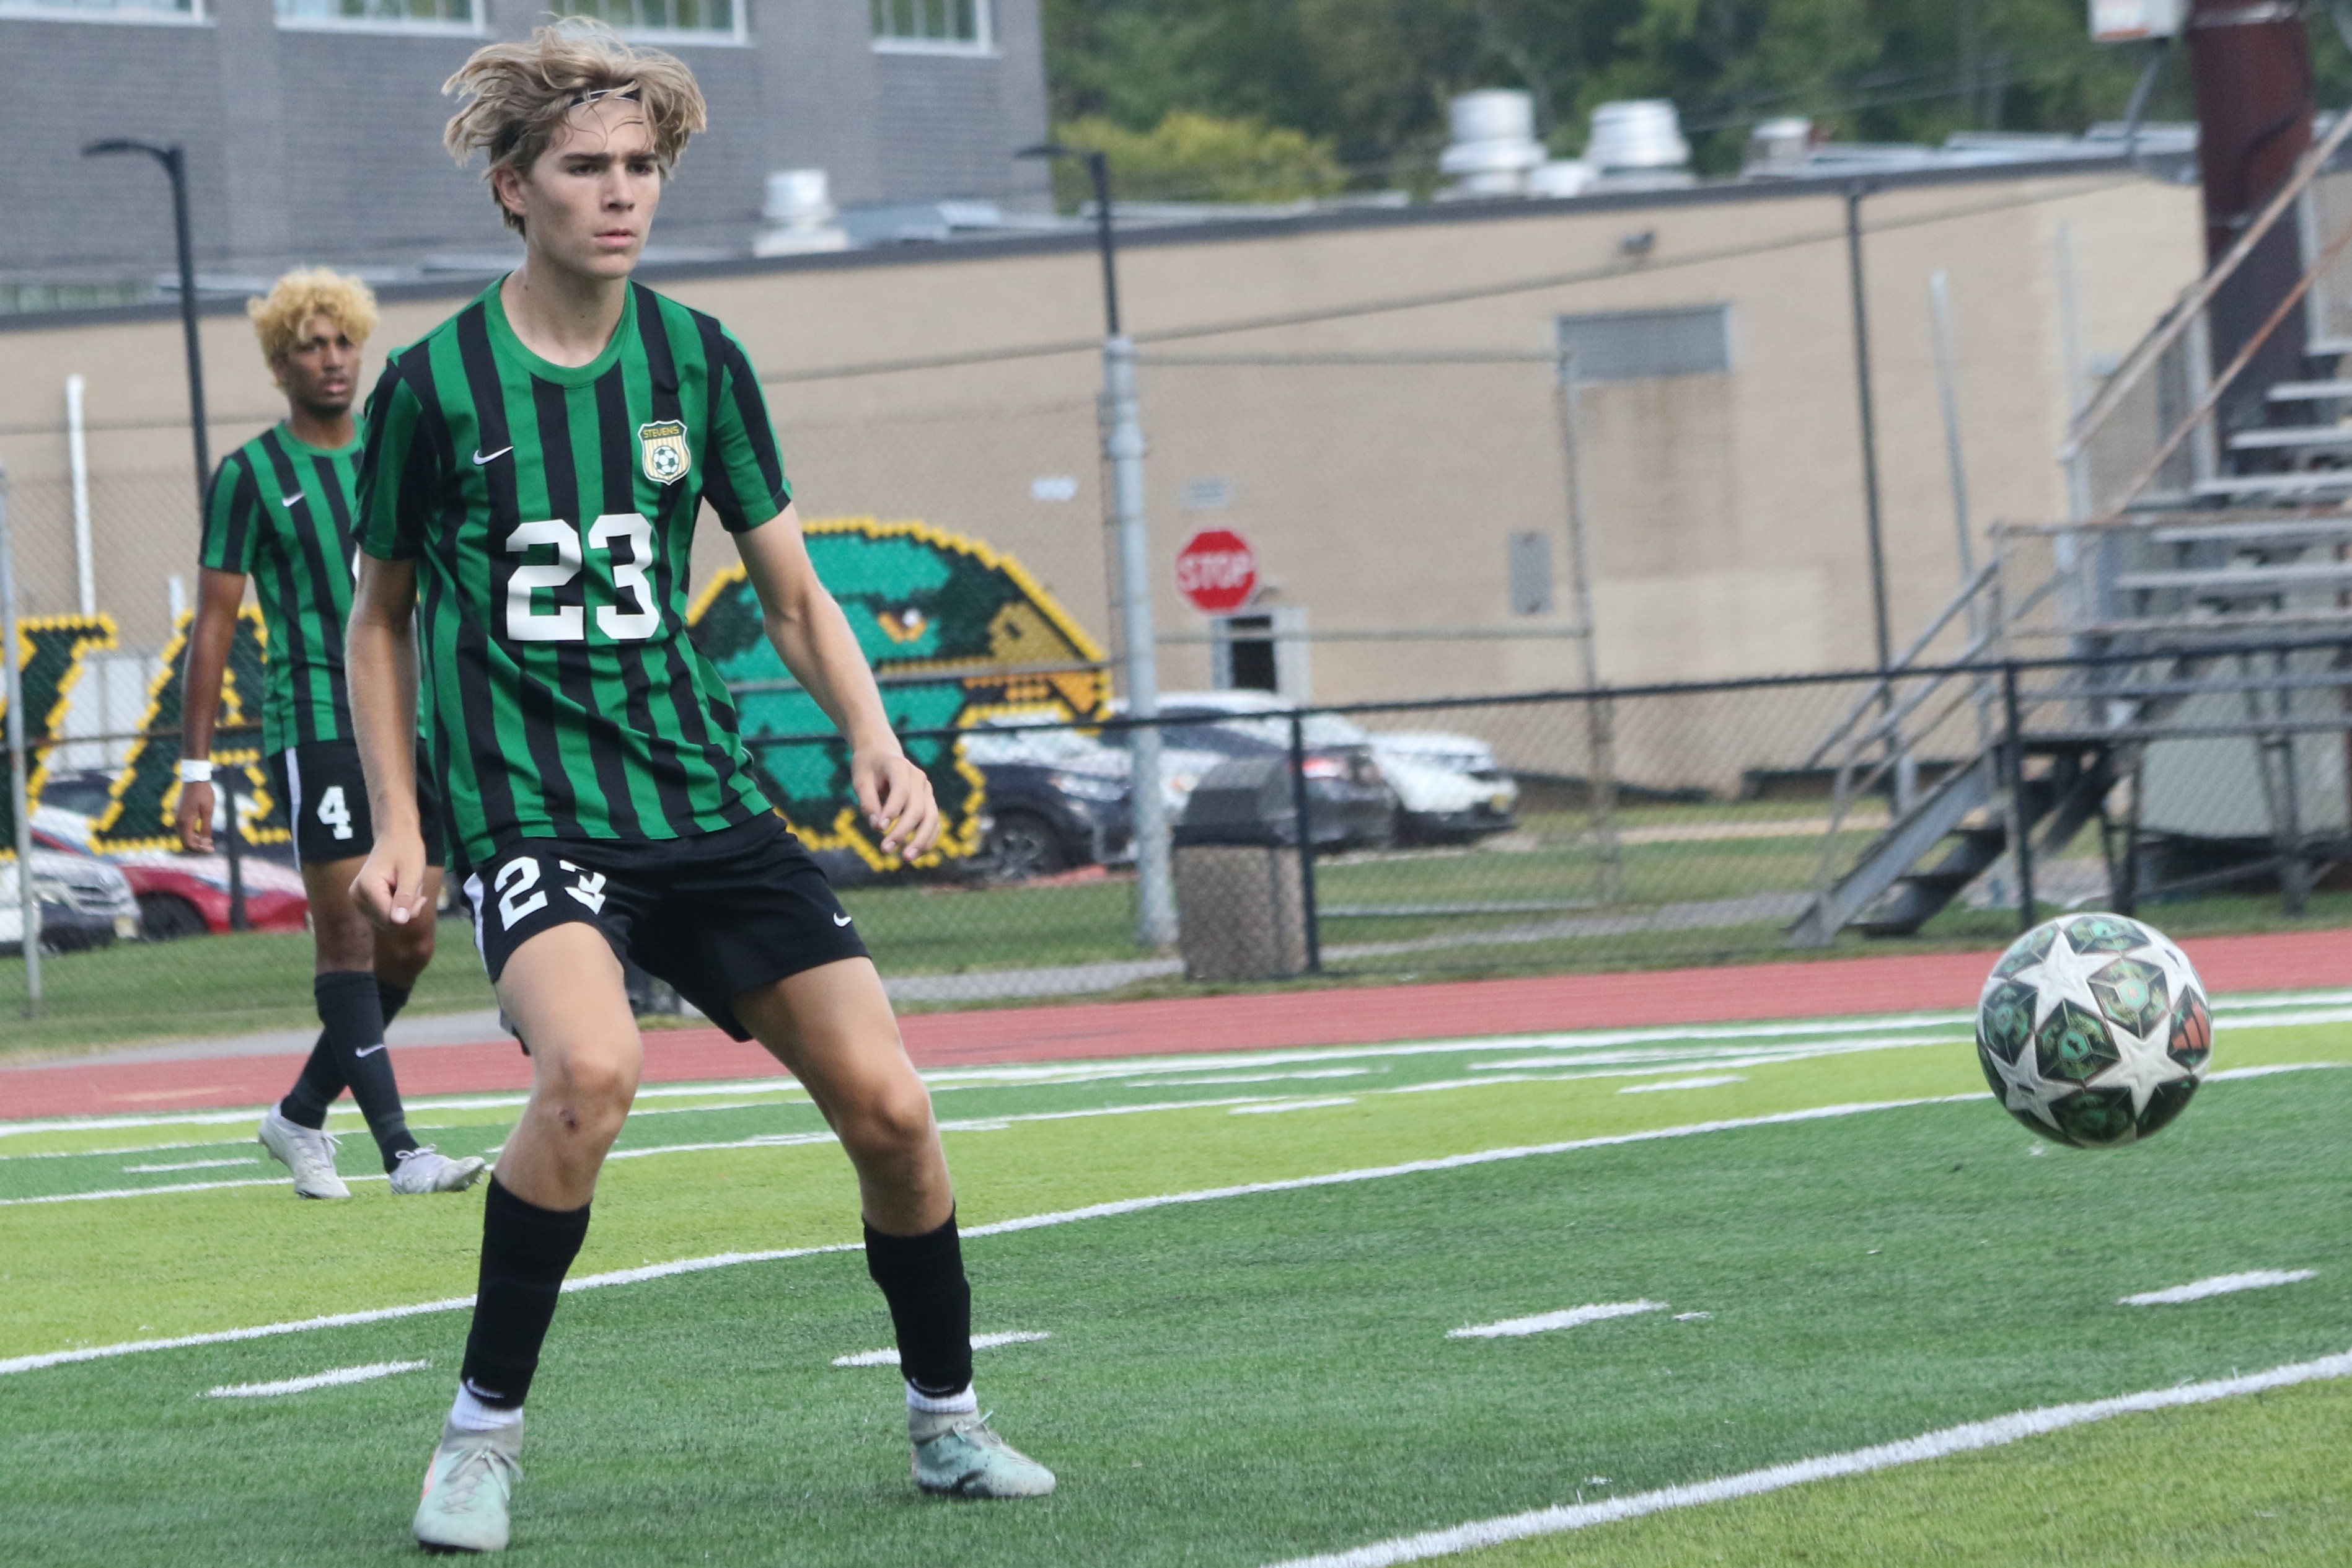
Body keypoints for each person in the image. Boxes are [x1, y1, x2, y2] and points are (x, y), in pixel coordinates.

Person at [345, 25, 1053, 1553]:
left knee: (893, 1107)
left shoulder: (698, 361)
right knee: (591, 1070)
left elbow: (789, 593)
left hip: (702, 800)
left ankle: (945, 1420)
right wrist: (404, 822)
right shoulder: (434, 385)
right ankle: (477, 1440)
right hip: (538, 816)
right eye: (584, 167)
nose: (620, 194)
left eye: (640, 166)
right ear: (513, 187)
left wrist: (874, 736)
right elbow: (379, 619)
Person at [180, 268, 487, 1202]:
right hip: (315, 724)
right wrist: (194, 766)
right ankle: (402, 1151)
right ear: (281, 364)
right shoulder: (250, 476)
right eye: (309, 346)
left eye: (343, 341)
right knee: (350, 938)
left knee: (412, 939)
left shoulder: (400, 451)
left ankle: (299, 1113)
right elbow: (215, 626)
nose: (331, 359)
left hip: (415, 723)